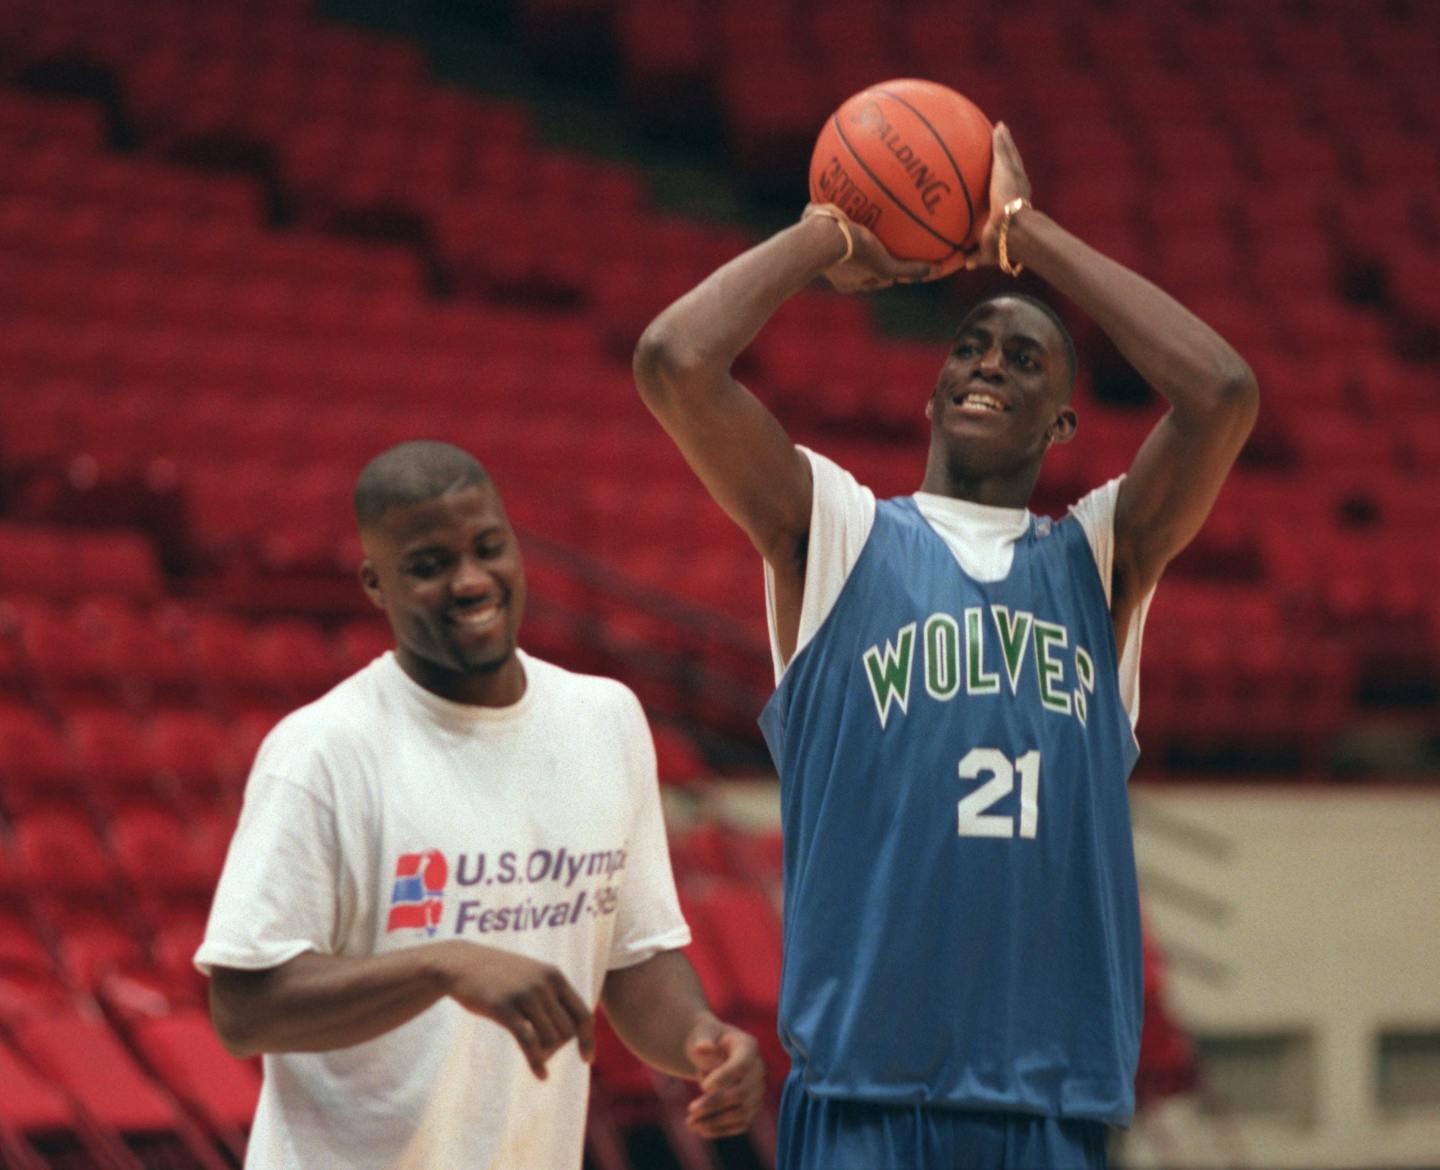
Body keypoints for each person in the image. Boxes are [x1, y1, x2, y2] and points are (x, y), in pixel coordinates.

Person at [633, 124, 1257, 1170]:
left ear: (1063, 422)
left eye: (1025, 359)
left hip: (1051, 1101)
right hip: (866, 1099)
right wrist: (820, 235)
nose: (988, 366)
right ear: (929, 393)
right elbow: (673, 360)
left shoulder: (1097, 563)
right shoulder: (839, 532)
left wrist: (1026, 233)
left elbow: (1222, 392)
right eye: (968, 348)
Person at [196, 440, 764, 1170]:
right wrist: (441, 966)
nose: (470, 581)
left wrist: (697, 1038)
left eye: (487, 548)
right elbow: (243, 1011)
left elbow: (635, 957)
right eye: (429, 567)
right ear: (376, 584)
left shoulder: (606, 720)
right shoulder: (322, 752)